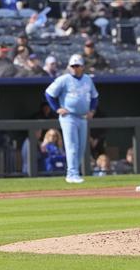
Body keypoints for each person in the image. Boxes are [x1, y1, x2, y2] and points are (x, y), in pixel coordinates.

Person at [44, 53, 99, 184]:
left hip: (82, 117)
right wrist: (57, 108)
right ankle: (71, 174)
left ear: (82, 67)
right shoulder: (64, 79)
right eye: (73, 66)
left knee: (81, 147)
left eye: (77, 66)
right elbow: (49, 93)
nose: (75, 68)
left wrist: (92, 110)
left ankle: (75, 172)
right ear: (69, 67)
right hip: (68, 117)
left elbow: (95, 96)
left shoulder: (87, 79)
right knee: (72, 145)